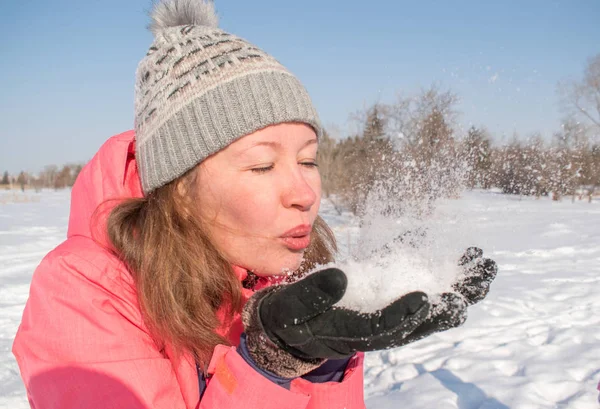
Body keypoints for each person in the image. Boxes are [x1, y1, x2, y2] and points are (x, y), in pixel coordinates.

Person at [12, 1, 498, 408]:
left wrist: (321, 360)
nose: (305, 194)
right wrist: (265, 366)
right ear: (180, 188)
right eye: (262, 167)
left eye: (308, 161)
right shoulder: (81, 292)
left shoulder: (289, 270)